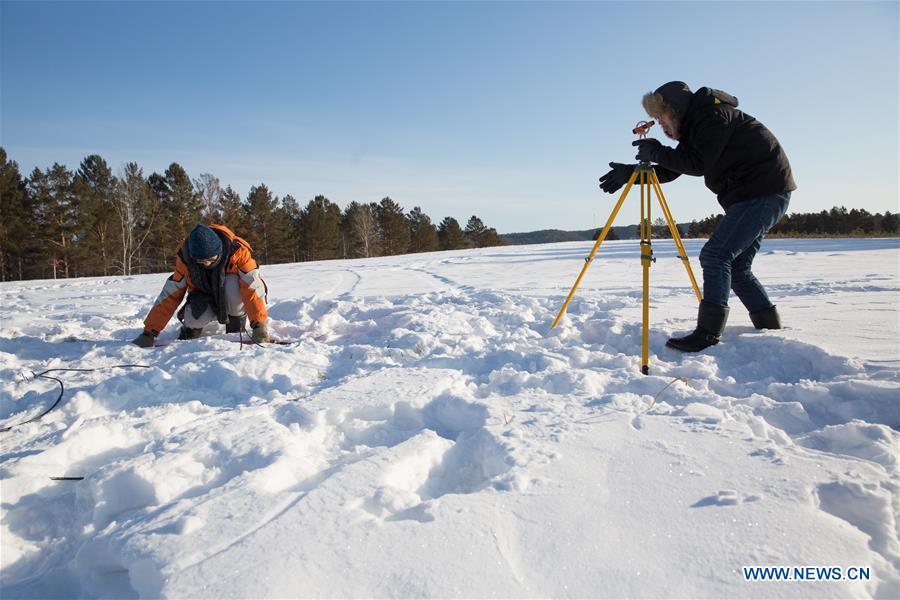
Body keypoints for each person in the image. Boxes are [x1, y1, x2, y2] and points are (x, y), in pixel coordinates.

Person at [599, 81, 796, 352]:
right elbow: (675, 168)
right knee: (737, 267)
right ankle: (768, 325)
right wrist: (632, 174)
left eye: (659, 117)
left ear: (674, 109)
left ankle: (708, 334)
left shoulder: (711, 116)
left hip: (762, 192)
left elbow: (697, 165)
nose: (659, 124)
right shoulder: (695, 125)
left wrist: (656, 151)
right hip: (755, 194)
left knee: (715, 256)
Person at [133, 224, 270, 347]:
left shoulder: (238, 252)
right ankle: (191, 329)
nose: (207, 264)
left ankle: (235, 325)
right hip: (202, 297)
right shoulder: (185, 259)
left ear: (219, 251)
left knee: (233, 285)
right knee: (195, 318)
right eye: (201, 260)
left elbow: (253, 287)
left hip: (230, 298)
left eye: (211, 259)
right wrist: (149, 332)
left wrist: (259, 325)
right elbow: (170, 295)